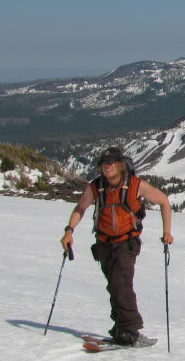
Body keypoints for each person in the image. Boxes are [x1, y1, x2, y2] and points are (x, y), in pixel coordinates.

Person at [60, 147, 173, 345]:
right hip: (103, 244)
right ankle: (120, 328)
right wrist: (69, 230)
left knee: (121, 285)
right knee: (114, 285)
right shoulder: (96, 187)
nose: (106, 166)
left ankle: (131, 331)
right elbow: (80, 207)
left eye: (111, 162)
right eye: (104, 163)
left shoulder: (135, 185)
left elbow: (164, 201)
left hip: (126, 242)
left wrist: (167, 232)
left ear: (120, 164)